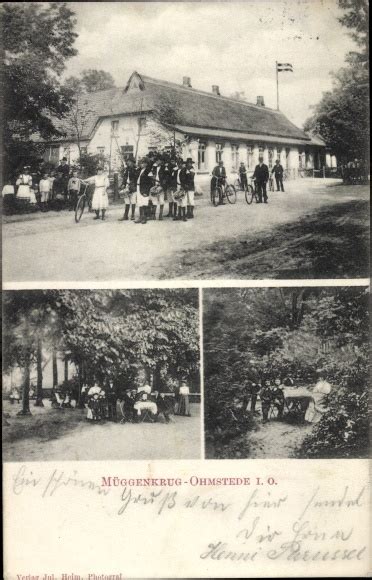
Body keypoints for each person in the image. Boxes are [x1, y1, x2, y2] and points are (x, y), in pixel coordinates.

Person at [135, 157, 153, 224]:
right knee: (140, 203)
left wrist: (146, 191)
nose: (141, 164)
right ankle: (140, 217)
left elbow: (150, 183)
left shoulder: (148, 171)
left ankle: (144, 218)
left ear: (146, 164)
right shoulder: (139, 170)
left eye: (142, 163)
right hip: (138, 187)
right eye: (140, 163)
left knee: (145, 203)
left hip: (144, 189)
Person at [119, 156, 137, 221]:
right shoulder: (126, 169)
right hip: (126, 186)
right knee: (126, 201)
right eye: (127, 161)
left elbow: (136, 179)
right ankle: (125, 216)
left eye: (129, 161)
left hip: (133, 187)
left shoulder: (136, 169)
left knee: (133, 201)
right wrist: (123, 184)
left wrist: (132, 185)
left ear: (132, 162)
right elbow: (124, 178)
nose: (128, 162)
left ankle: (132, 215)